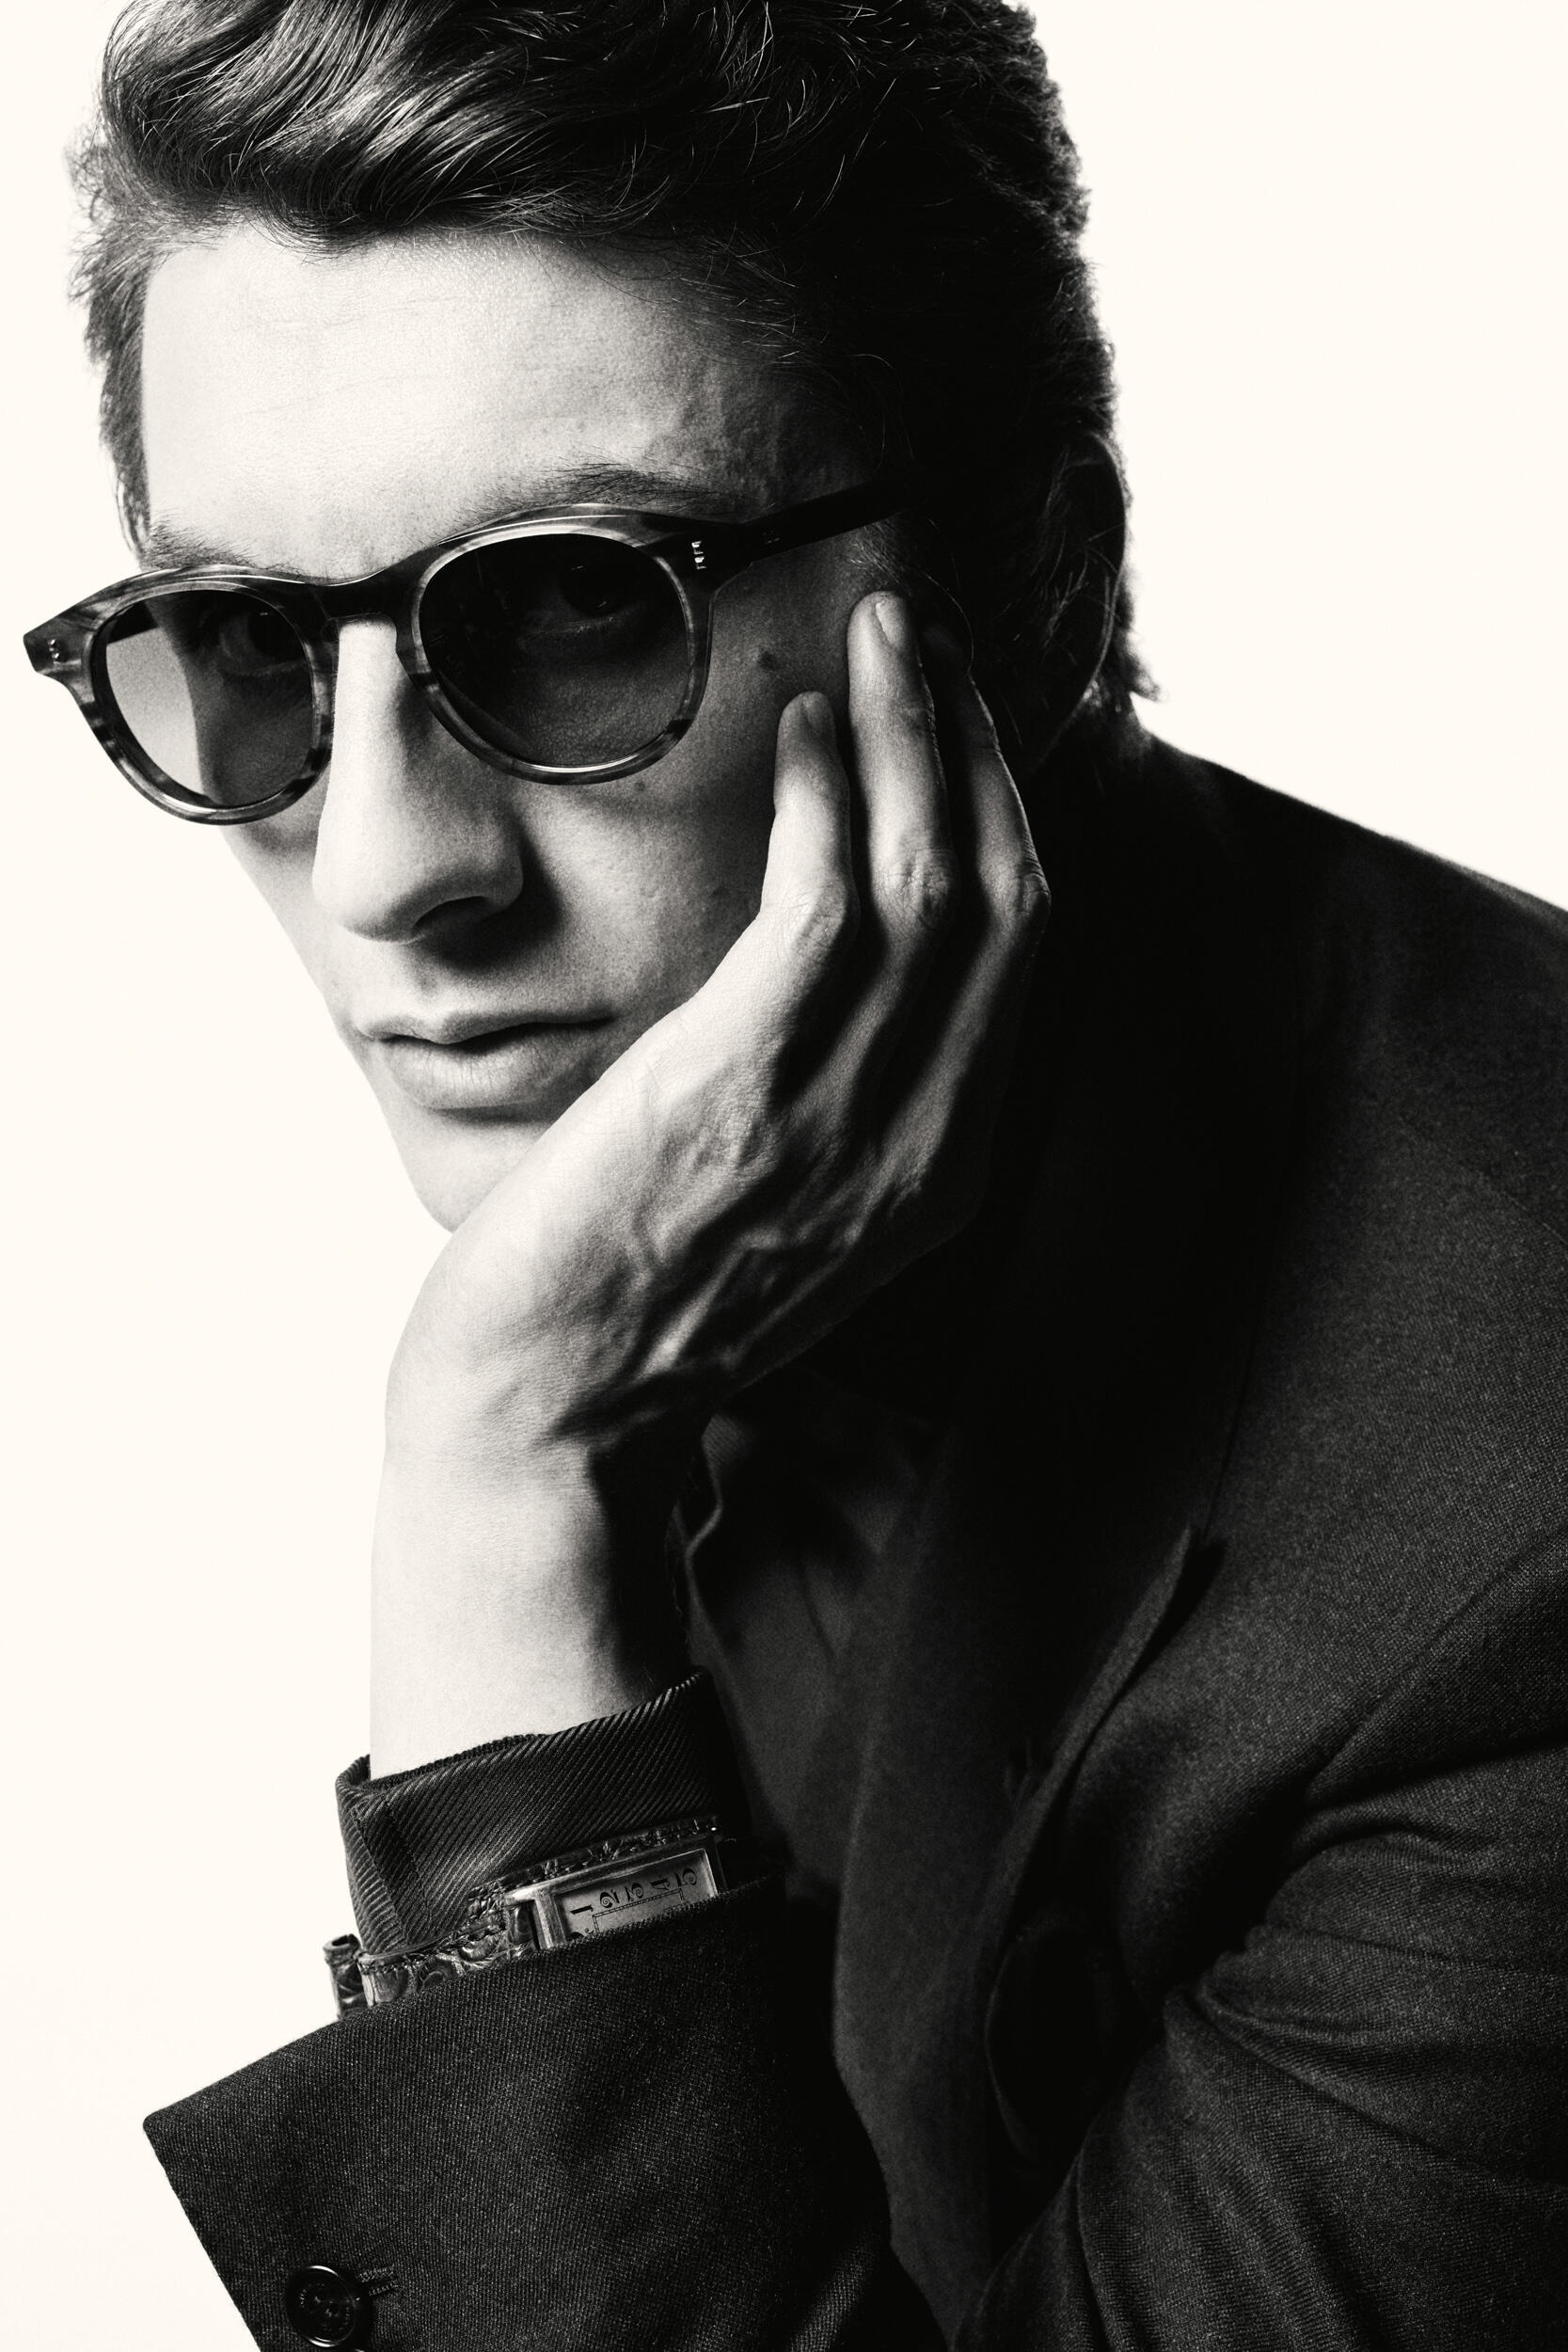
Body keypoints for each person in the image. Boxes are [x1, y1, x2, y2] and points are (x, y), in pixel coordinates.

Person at [25, 0, 1568, 2345]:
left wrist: (497, 1490)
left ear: (1034, 580)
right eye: (243, 639)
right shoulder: (732, 1185)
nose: (380, 868)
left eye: (577, 604)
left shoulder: (1519, 1557)